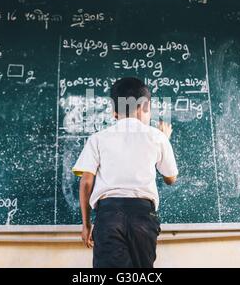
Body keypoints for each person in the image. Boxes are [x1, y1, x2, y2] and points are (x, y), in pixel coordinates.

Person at [72, 77, 178, 268]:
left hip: (108, 216)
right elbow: (170, 178)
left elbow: (86, 182)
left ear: (114, 112)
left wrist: (86, 224)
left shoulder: (98, 138)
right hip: (143, 217)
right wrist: (165, 139)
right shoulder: (157, 137)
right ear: (145, 106)